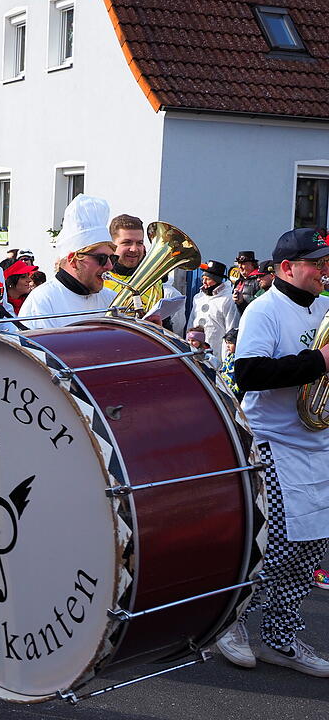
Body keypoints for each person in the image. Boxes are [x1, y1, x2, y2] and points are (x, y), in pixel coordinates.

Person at [216, 227, 329, 677]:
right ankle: (231, 623)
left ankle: (280, 637)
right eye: (315, 263)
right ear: (286, 267)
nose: (324, 270)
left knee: (310, 549)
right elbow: (250, 374)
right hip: (273, 442)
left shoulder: (323, 307)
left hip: (316, 442)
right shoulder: (264, 309)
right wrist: (320, 361)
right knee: (274, 547)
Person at [19, 195, 118, 329]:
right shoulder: (42, 301)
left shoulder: (112, 299)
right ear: (73, 260)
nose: (109, 266)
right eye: (101, 259)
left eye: (112, 258)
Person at [188, 260, 239, 360]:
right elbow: (191, 322)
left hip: (216, 352)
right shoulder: (198, 298)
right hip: (196, 352)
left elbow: (231, 329)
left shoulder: (227, 299)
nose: (204, 282)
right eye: (203, 278)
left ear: (217, 280)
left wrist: (226, 359)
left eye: (208, 279)